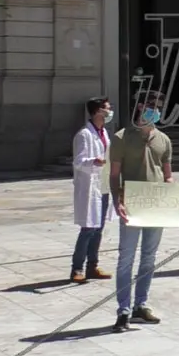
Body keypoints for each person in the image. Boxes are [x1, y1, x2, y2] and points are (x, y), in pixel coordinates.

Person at [109, 91, 177, 332]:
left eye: (159, 107)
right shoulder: (121, 137)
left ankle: (141, 305)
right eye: (152, 106)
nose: (156, 110)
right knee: (126, 258)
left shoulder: (164, 139)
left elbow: (168, 175)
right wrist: (118, 200)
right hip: (132, 202)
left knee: (149, 257)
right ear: (140, 107)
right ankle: (123, 310)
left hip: (156, 204)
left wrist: (176, 203)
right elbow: (114, 173)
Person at [69, 97, 113, 284]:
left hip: (102, 185)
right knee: (88, 228)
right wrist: (94, 161)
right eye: (107, 109)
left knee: (99, 228)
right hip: (89, 186)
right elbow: (78, 162)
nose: (110, 112)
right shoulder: (84, 134)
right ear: (97, 112)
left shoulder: (103, 132)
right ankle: (77, 268)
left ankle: (92, 266)